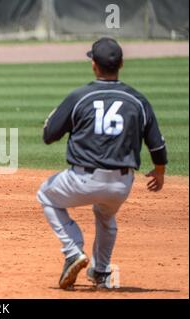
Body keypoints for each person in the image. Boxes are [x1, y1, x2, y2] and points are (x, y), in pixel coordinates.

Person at [37, 37, 168, 290]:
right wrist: (160, 173)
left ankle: (73, 250)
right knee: (106, 216)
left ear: (94, 65)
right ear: (121, 64)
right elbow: (157, 145)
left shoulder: (80, 96)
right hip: (121, 184)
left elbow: (49, 136)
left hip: (82, 180)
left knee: (46, 195)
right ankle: (101, 271)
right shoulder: (138, 100)